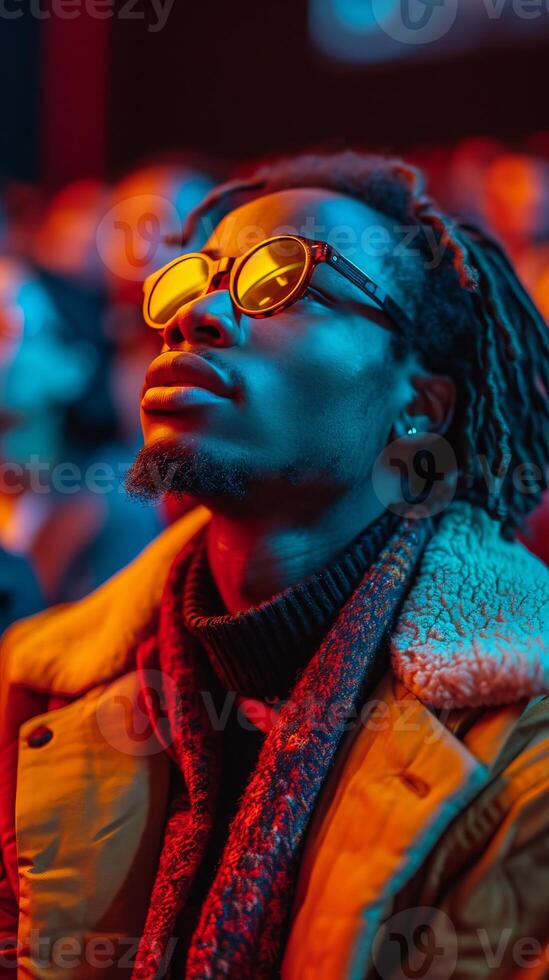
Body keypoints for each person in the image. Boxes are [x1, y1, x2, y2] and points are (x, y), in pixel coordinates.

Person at [0, 152, 548, 979]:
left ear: (419, 406)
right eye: (190, 281)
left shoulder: (520, 729)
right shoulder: (39, 680)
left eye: (286, 282)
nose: (195, 315)